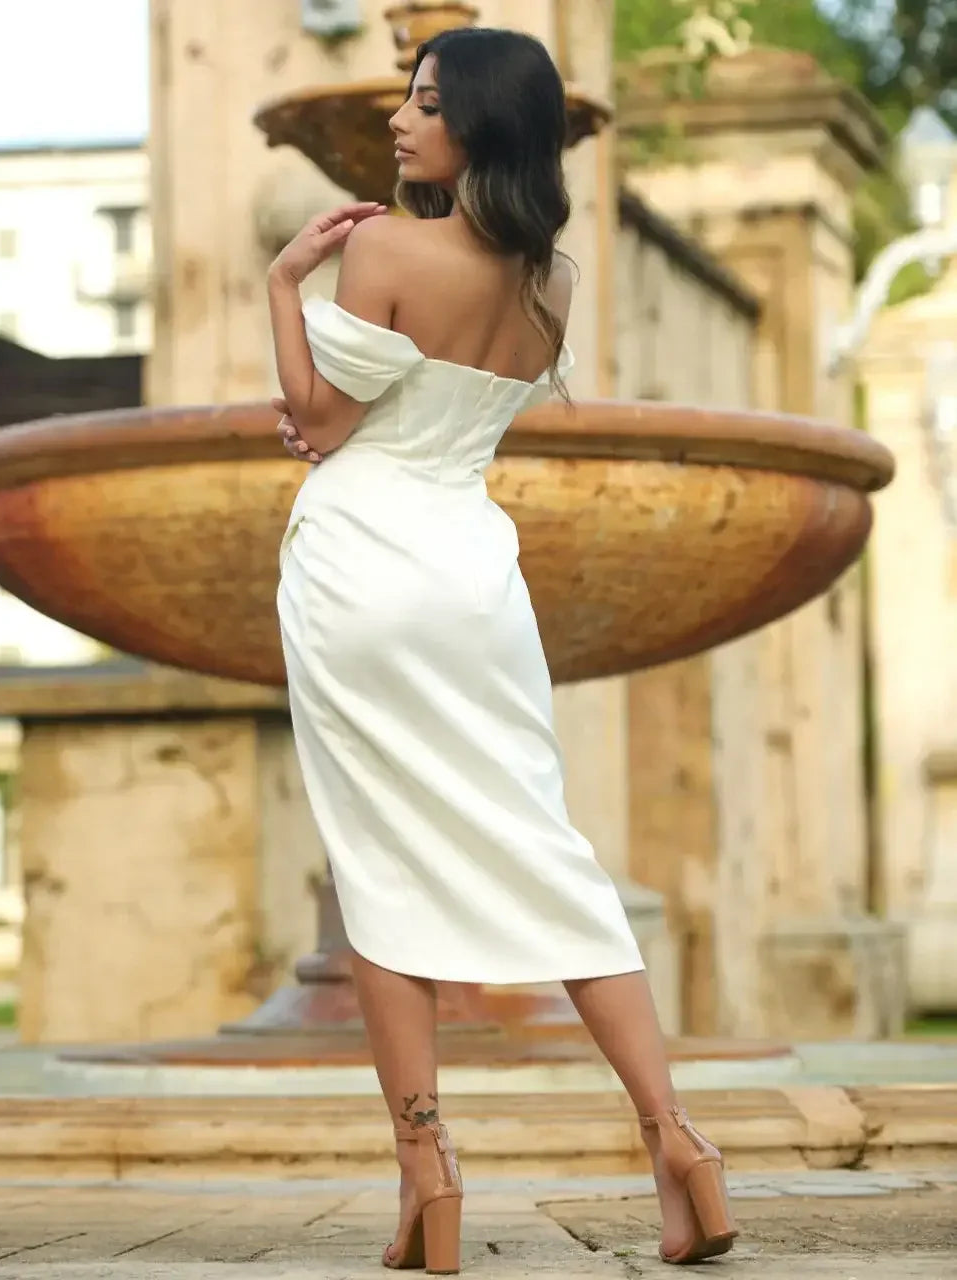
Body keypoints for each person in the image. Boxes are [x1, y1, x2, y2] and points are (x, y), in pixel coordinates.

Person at [266, 25, 737, 1275]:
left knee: (377, 866)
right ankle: (677, 1140)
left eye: (424, 104)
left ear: (478, 119)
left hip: (361, 559)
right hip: (475, 574)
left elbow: (319, 423)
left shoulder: (377, 245)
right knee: (546, 849)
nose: (401, 123)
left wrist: (282, 288)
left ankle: (430, 1174)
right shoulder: (551, 280)